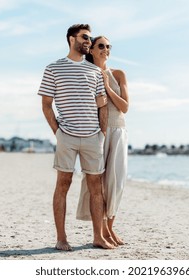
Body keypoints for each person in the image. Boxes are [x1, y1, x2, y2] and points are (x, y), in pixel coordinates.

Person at [37, 24, 114, 251]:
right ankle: (61, 238)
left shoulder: (94, 72)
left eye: (90, 38)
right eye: (85, 37)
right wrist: (58, 132)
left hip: (93, 137)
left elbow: (102, 106)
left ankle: (98, 237)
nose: (88, 41)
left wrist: (102, 133)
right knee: (63, 184)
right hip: (67, 136)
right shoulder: (53, 68)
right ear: (72, 39)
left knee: (95, 188)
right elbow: (46, 104)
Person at [76, 36, 129, 246]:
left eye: (108, 46)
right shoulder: (86, 74)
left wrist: (107, 86)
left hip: (118, 131)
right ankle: (101, 232)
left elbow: (124, 107)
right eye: (101, 46)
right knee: (96, 185)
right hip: (96, 132)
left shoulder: (118, 74)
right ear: (91, 50)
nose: (105, 49)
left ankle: (109, 228)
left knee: (116, 182)